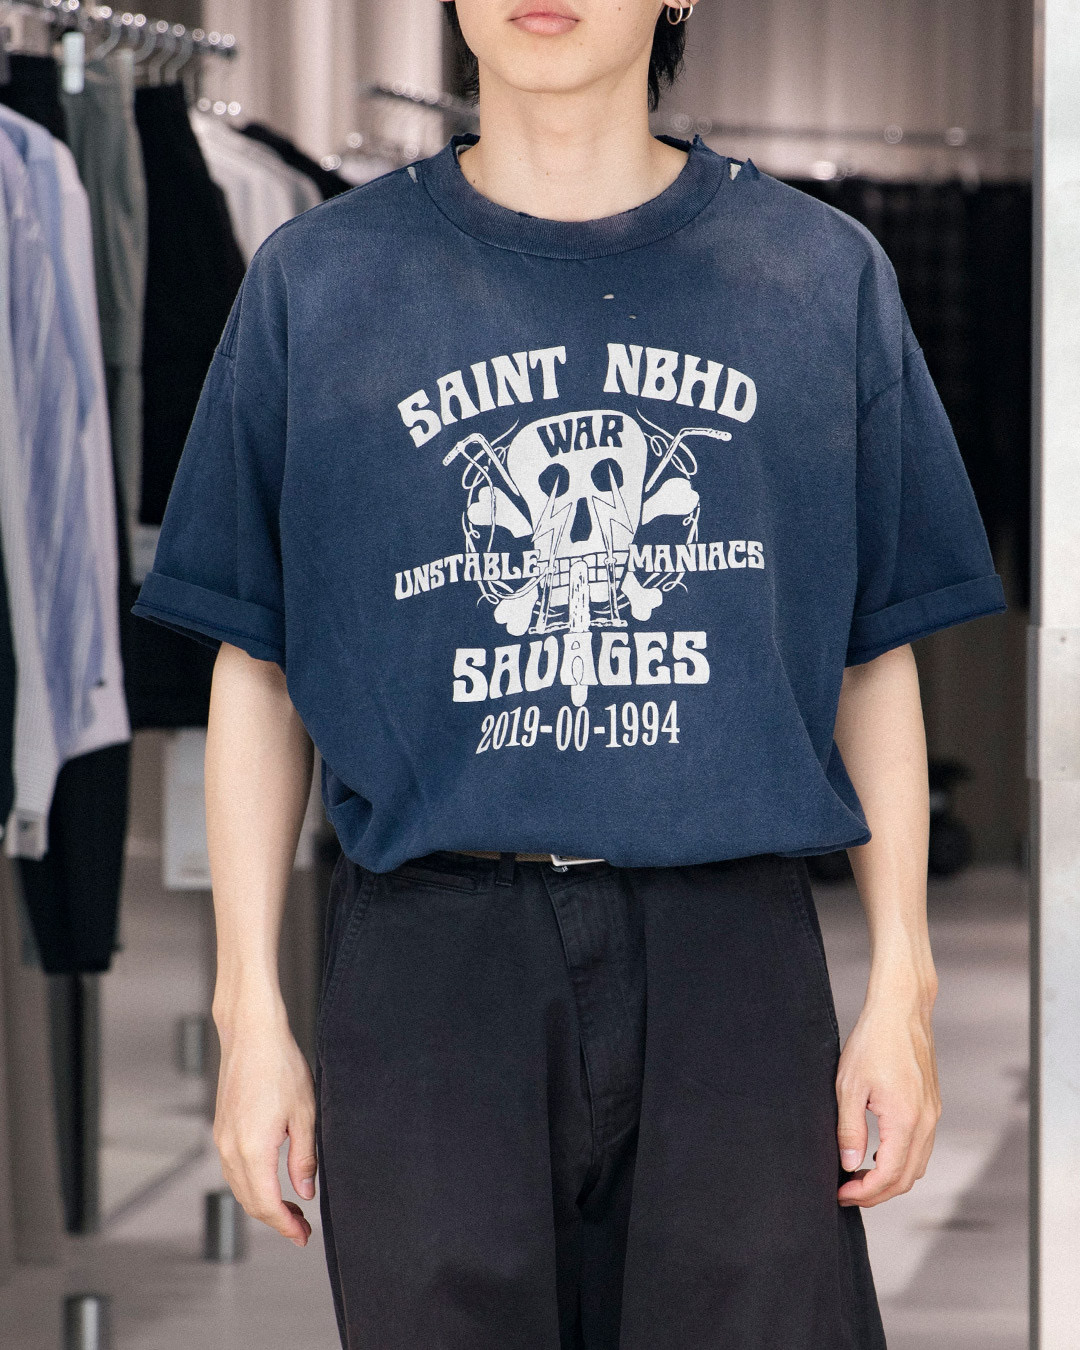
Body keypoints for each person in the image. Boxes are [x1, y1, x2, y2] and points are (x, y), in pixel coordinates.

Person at [131, 0, 1007, 1344]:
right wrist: (249, 1012)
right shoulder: (321, 281)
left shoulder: (816, 275)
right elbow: (258, 661)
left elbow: (872, 653)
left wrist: (905, 988)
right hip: (432, 964)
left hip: (731, 956)